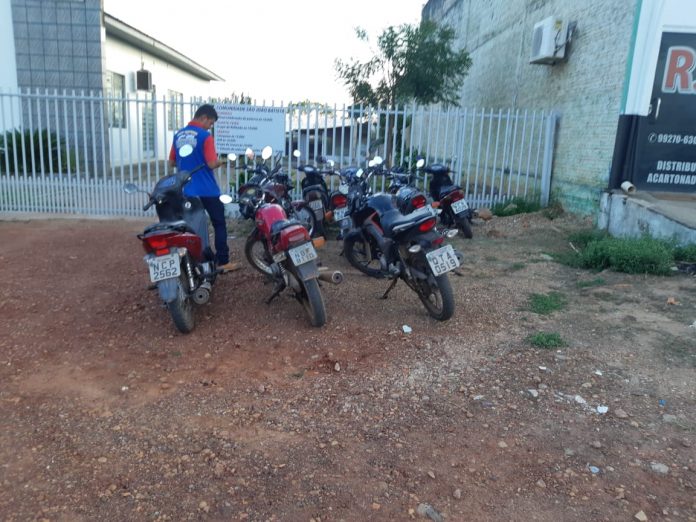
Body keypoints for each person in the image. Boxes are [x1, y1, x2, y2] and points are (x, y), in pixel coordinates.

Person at [168, 104, 241, 272]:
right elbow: (211, 163)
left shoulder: (178, 135)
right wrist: (222, 161)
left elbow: (171, 162)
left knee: (191, 227)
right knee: (219, 224)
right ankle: (223, 262)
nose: (210, 127)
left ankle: (194, 263)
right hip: (208, 190)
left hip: (187, 191)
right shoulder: (205, 136)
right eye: (211, 123)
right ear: (204, 118)